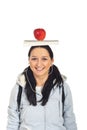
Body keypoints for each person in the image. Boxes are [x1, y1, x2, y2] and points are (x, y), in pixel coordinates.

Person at [7, 45, 77, 130]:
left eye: (44, 59)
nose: (39, 64)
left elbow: (69, 120)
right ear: (29, 60)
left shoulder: (62, 87)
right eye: (34, 59)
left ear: (52, 61)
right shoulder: (19, 88)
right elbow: (12, 122)